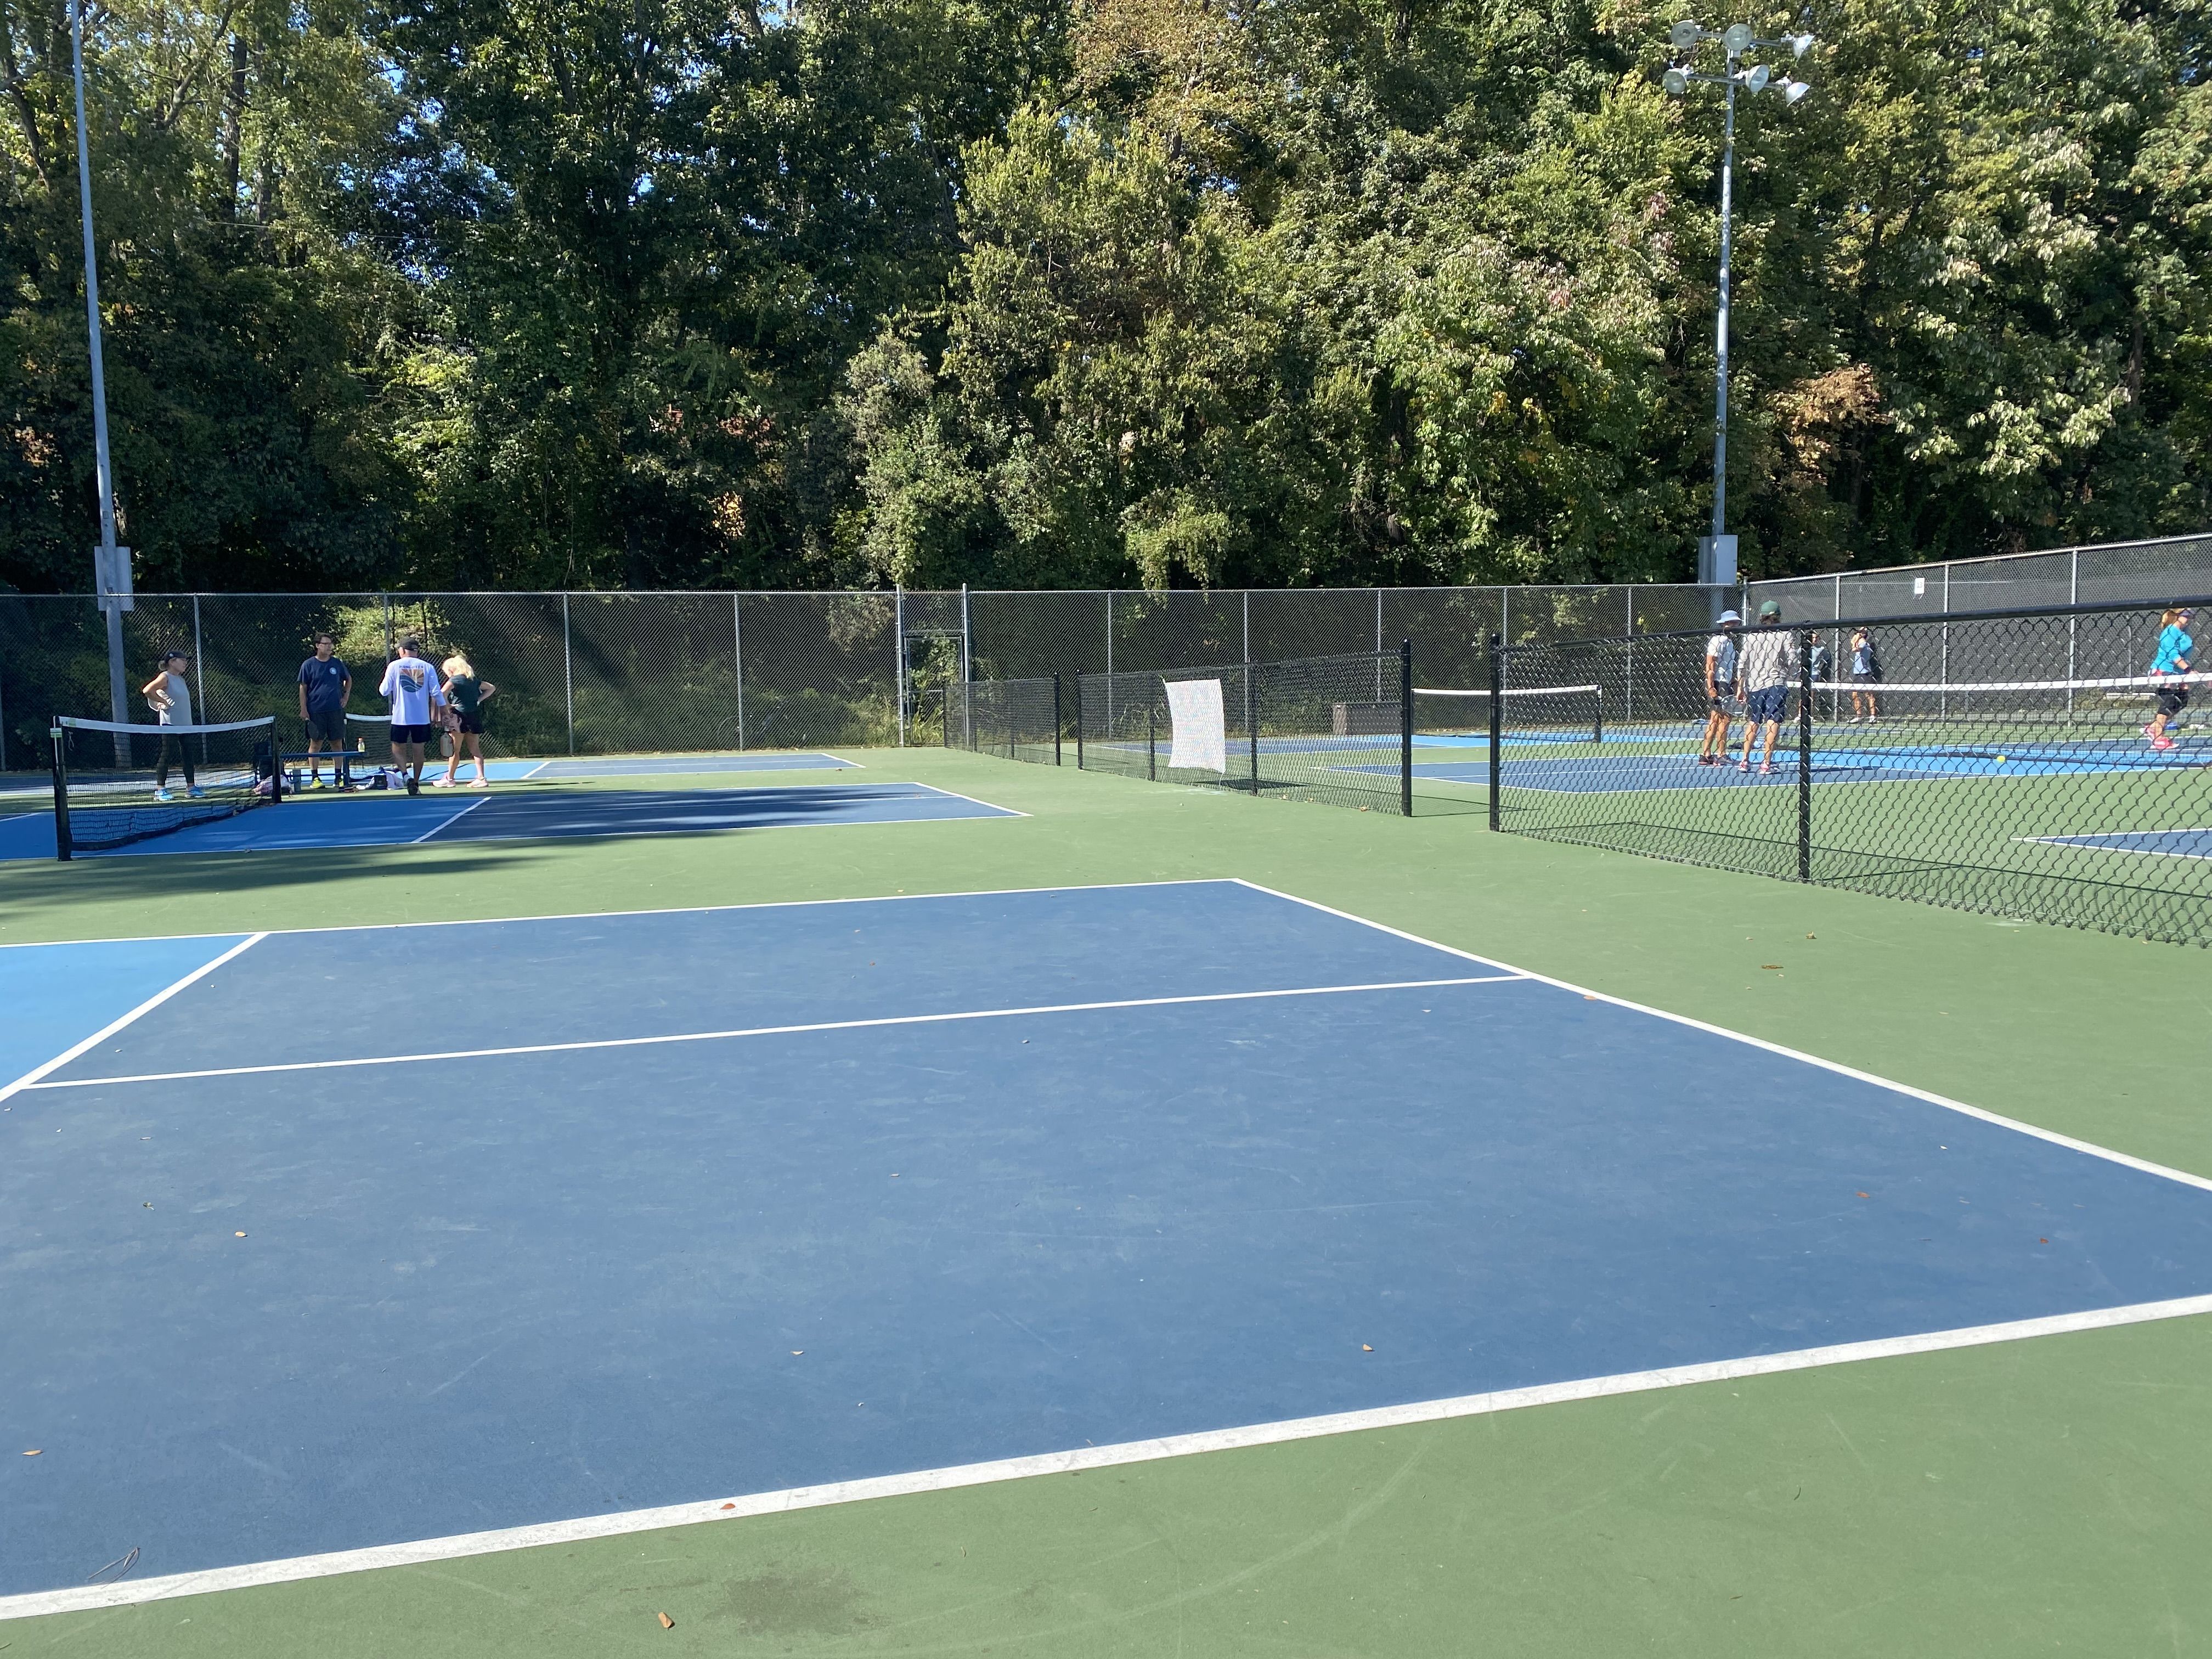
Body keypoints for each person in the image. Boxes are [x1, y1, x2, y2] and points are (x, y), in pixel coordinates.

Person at [377, 637, 447, 795]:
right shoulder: (428, 667)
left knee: (397, 747)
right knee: (419, 750)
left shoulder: (394, 666)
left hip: (400, 718)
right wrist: (444, 711)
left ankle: (405, 775)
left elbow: (384, 691)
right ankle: (415, 782)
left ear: (402, 650)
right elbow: (436, 692)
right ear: (416, 651)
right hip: (421, 718)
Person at [1736, 600, 1799, 775]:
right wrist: (1792, 671)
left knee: (1754, 720)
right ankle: (1766, 763)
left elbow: (1742, 663)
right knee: (1773, 720)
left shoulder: (1751, 635)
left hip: (1755, 684)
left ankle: (1744, 761)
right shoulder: (1784, 633)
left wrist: (1740, 687)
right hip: (1776, 682)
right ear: (1778, 616)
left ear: (1761, 616)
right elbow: (1792, 659)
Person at [139, 650, 203, 802]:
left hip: (186, 725)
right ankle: (160, 790)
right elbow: (147, 690)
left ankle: (191, 788)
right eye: (183, 660)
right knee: (167, 755)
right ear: (172, 662)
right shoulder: (165, 677)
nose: (186, 663)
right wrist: (162, 702)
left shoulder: (181, 679)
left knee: (188, 755)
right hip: (170, 724)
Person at [295, 633, 352, 787]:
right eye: (326, 644)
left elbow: (348, 679)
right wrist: (304, 709)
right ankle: (315, 778)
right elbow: (303, 688)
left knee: (337, 743)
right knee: (316, 743)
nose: (329, 647)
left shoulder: (337, 663)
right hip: (315, 711)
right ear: (318, 646)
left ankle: (338, 777)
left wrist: (346, 697)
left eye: (330, 644)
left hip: (335, 710)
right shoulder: (308, 665)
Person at [434, 653, 497, 788]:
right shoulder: (473, 680)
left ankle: (450, 779)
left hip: (458, 717)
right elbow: (491, 688)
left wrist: (448, 706)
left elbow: (441, 693)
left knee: (454, 750)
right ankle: (481, 778)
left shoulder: (454, 680)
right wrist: (478, 700)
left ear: (451, 669)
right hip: (474, 716)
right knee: (475, 750)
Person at [2145, 607, 2195, 753]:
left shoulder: (2185, 633)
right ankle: (2158, 738)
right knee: (2169, 701)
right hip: (2163, 671)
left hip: (2178, 673)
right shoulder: (2169, 633)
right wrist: (2188, 670)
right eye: (2186, 615)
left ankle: (2153, 727)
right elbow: (2173, 656)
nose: (2189, 618)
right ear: (2177, 616)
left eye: (2191, 615)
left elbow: (2183, 656)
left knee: (2182, 700)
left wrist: (2189, 672)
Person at [1698, 610, 1742, 765]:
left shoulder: (1729, 642)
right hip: (1719, 684)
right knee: (1724, 719)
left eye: (1737, 623)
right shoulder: (1719, 640)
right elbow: (1710, 664)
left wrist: (1733, 681)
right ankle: (1721, 754)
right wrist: (1711, 687)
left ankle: (1706, 754)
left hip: (1724, 683)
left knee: (1715, 719)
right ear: (1725, 624)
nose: (1736, 626)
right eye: (1733, 623)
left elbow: (1725, 666)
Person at [1846, 627, 1881, 724]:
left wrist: (1855, 640)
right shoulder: (1859, 643)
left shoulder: (1864, 644)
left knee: (1869, 695)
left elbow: (1854, 649)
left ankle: (1873, 716)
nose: (1857, 635)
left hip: (1865, 673)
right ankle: (1859, 716)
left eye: (1860, 633)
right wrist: (1855, 640)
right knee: (1855, 694)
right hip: (1857, 674)